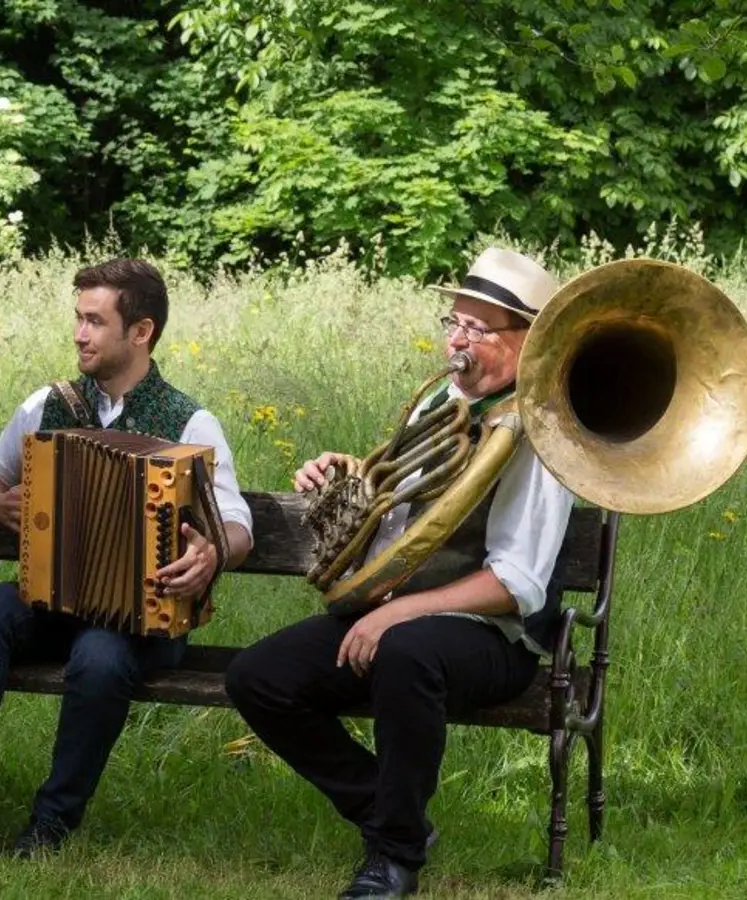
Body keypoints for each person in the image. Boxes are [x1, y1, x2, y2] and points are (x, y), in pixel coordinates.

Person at [224, 247, 575, 899]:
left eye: (479, 328)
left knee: (406, 652)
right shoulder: (442, 403)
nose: (458, 341)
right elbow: (398, 512)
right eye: (454, 321)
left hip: (496, 639)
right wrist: (348, 480)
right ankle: (388, 807)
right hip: (409, 616)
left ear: (530, 342)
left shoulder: (538, 434)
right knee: (258, 678)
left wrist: (392, 612)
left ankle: (395, 857)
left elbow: (517, 584)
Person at [0, 257, 255, 859]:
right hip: (56, 596)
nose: (79, 334)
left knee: (101, 658)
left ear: (141, 332)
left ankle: (51, 823)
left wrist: (212, 553)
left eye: (94, 321)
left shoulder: (190, 420)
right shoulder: (46, 405)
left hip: (145, 616)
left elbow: (238, 525)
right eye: (78, 319)